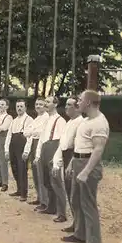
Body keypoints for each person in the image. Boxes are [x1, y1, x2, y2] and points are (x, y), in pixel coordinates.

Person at [61, 90, 109, 243]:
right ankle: (80, 233)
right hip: (78, 161)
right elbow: (81, 145)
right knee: (76, 200)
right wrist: (72, 163)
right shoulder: (86, 120)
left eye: (80, 100)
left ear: (88, 103)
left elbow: (97, 150)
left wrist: (86, 171)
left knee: (88, 203)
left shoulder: (99, 122)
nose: (77, 103)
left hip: (88, 164)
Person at [51, 96, 84, 229]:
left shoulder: (81, 122)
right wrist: (56, 161)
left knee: (76, 194)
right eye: (66, 105)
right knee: (70, 191)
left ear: (77, 108)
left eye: (69, 105)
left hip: (75, 156)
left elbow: (78, 146)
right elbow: (62, 144)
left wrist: (71, 162)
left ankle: (80, 225)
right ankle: (76, 222)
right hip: (66, 154)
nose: (66, 107)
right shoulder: (68, 122)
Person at [34, 96, 66, 215]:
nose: (46, 104)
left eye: (48, 102)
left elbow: (63, 140)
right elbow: (42, 138)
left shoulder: (60, 120)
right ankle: (51, 206)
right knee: (46, 180)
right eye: (45, 102)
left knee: (56, 181)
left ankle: (61, 212)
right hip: (45, 148)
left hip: (54, 147)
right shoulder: (47, 119)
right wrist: (38, 154)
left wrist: (58, 158)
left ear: (55, 104)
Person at [22, 97, 49, 208]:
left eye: (41, 104)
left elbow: (41, 132)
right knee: (35, 172)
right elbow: (26, 132)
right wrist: (32, 132)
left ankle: (45, 201)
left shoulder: (47, 118)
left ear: (45, 106)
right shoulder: (36, 119)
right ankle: (39, 197)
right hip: (33, 143)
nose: (38, 106)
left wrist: (32, 132)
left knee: (41, 173)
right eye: (37, 104)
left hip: (41, 144)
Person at [4, 99, 32, 200]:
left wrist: (26, 151)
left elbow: (30, 137)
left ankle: (24, 193)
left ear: (25, 108)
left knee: (22, 169)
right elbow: (8, 135)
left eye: (21, 106)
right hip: (13, 144)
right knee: (14, 167)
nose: (19, 108)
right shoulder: (14, 121)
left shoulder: (29, 120)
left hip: (22, 144)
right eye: (17, 107)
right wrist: (6, 150)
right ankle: (19, 189)